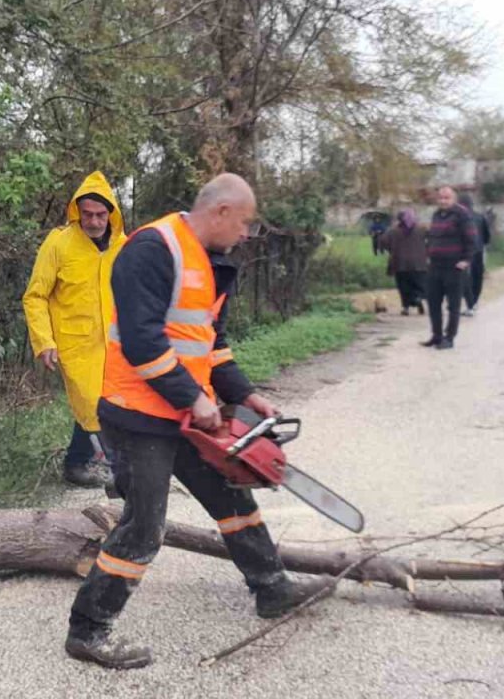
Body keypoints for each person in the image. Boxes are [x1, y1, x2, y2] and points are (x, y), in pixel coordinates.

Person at [64, 173, 332, 670]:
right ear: (222, 211)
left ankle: (272, 587)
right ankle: (88, 630)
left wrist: (244, 393)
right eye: (246, 223)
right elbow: (144, 343)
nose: (247, 234)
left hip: (185, 414)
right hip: (137, 415)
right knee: (144, 526)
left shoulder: (213, 264)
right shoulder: (152, 249)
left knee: (232, 497)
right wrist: (195, 397)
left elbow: (214, 345)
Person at [23, 171, 126, 489]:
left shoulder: (122, 246)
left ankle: (75, 463)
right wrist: (44, 341)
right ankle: (118, 474)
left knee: (110, 403)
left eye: (99, 215)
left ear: (111, 213)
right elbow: (35, 295)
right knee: (94, 404)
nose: (94, 222)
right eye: (87, 215)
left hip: (116, 344)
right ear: (76, 212)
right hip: (75, 344)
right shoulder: (59, 243)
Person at [421, 186, 477, 350]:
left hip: (454, 267)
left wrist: (466, 260)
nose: (443, 201)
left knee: (453, 305)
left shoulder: (462, 214)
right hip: (435, 266)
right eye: (441, 198)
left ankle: (449, 337)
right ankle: (436, 335)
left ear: (454, 199)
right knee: (433, 303)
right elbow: (432, 237)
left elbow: (472, 238)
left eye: (447, 198)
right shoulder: (437, 215)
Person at [380, 208, 429, 316]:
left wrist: (391, 249)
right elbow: (432, 239)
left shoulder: (393, 231)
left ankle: (405, 307)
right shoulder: (421, 229)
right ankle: (418, 299)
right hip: (419, 264)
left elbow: (383, 242)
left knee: (404, 287)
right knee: (419, 285)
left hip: (400, 264)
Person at [458, 194, 491, 317]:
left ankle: (469, 304)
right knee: (477, 277)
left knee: (466, 278)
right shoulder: (481, 217)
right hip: (479, 250)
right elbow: (487, 237)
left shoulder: (459, 217)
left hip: (464, 252)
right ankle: (474, 302)